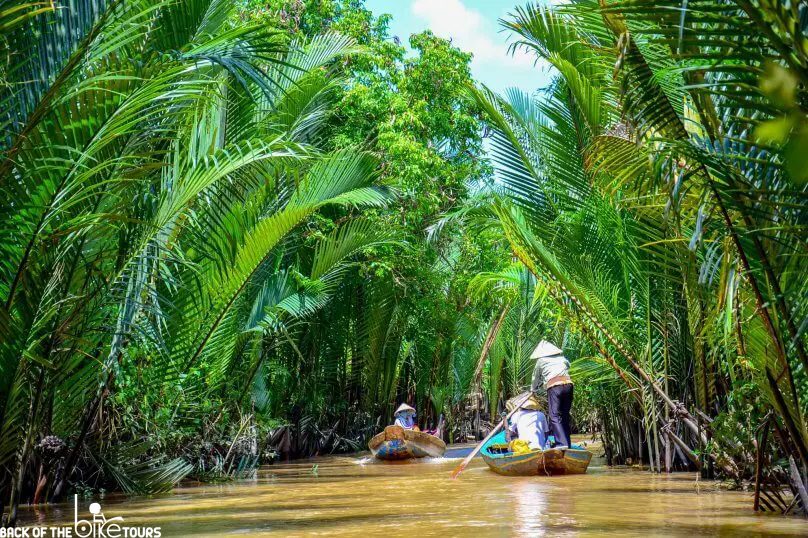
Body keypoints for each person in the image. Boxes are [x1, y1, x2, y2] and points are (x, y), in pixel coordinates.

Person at [530, 340, 573, 448]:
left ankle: (561, 444)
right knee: (564, 415)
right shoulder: (562, 358)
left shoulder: (541, 360)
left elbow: (535, 377)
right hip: (568, 385)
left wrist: (533, 390)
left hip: (555, 387)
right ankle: (567, 443)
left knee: (554, 416)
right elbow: (568, 365)